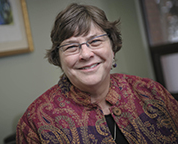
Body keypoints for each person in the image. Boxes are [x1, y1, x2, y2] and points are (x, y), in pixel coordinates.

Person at [16, 3, 178, 144]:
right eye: (71, 46)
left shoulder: (152, 92)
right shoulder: (35, 121)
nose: (86, 54)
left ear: (112, 46)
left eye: (95, 41)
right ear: (58, 58)